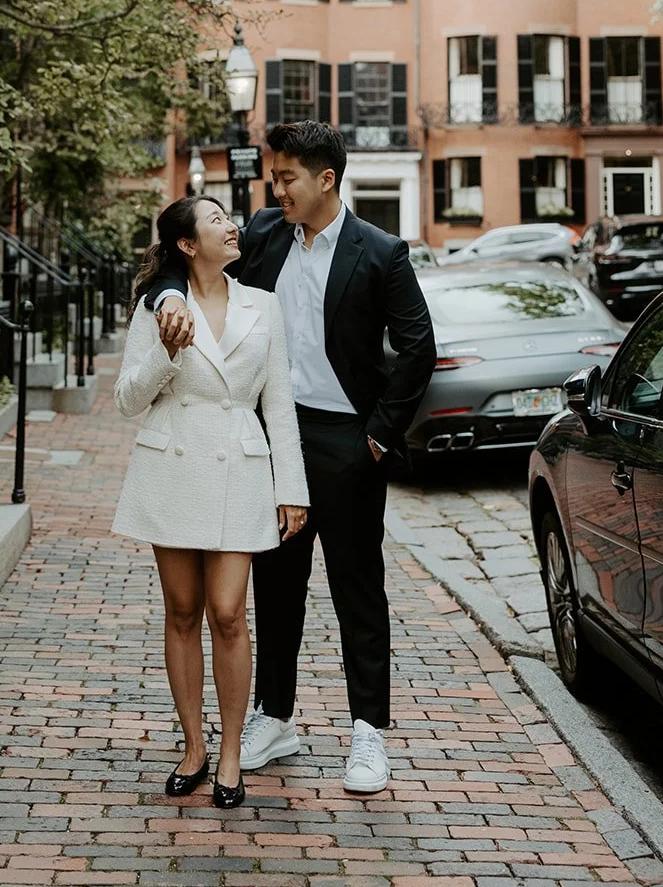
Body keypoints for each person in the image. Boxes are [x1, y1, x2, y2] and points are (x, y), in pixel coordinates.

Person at [148, 121, 436, 794]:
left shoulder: (380, 252)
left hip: (349, 441)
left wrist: (377, 436)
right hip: (273, 437)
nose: (276, 189)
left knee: (356, 586)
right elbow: (176, 261)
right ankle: (274, 717)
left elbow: (418, 347)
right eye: (274, 177)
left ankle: (368, 732)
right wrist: (168, 297)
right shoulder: (265, 236)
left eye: (286, 178)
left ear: (325, 180)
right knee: (276, 587)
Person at [113, 194, 309, 809]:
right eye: (216, 219)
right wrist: (166, 353)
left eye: (228, 216)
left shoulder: (263, 305)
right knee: (181, 611)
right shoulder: (159, 307)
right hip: (173, 467)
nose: (231, 225)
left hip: (239, 470)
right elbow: (127, 399)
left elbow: (279, 404)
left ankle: (230, 754)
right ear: (187, 244)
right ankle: (194, 747)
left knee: (227, 613)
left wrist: (292, 489)